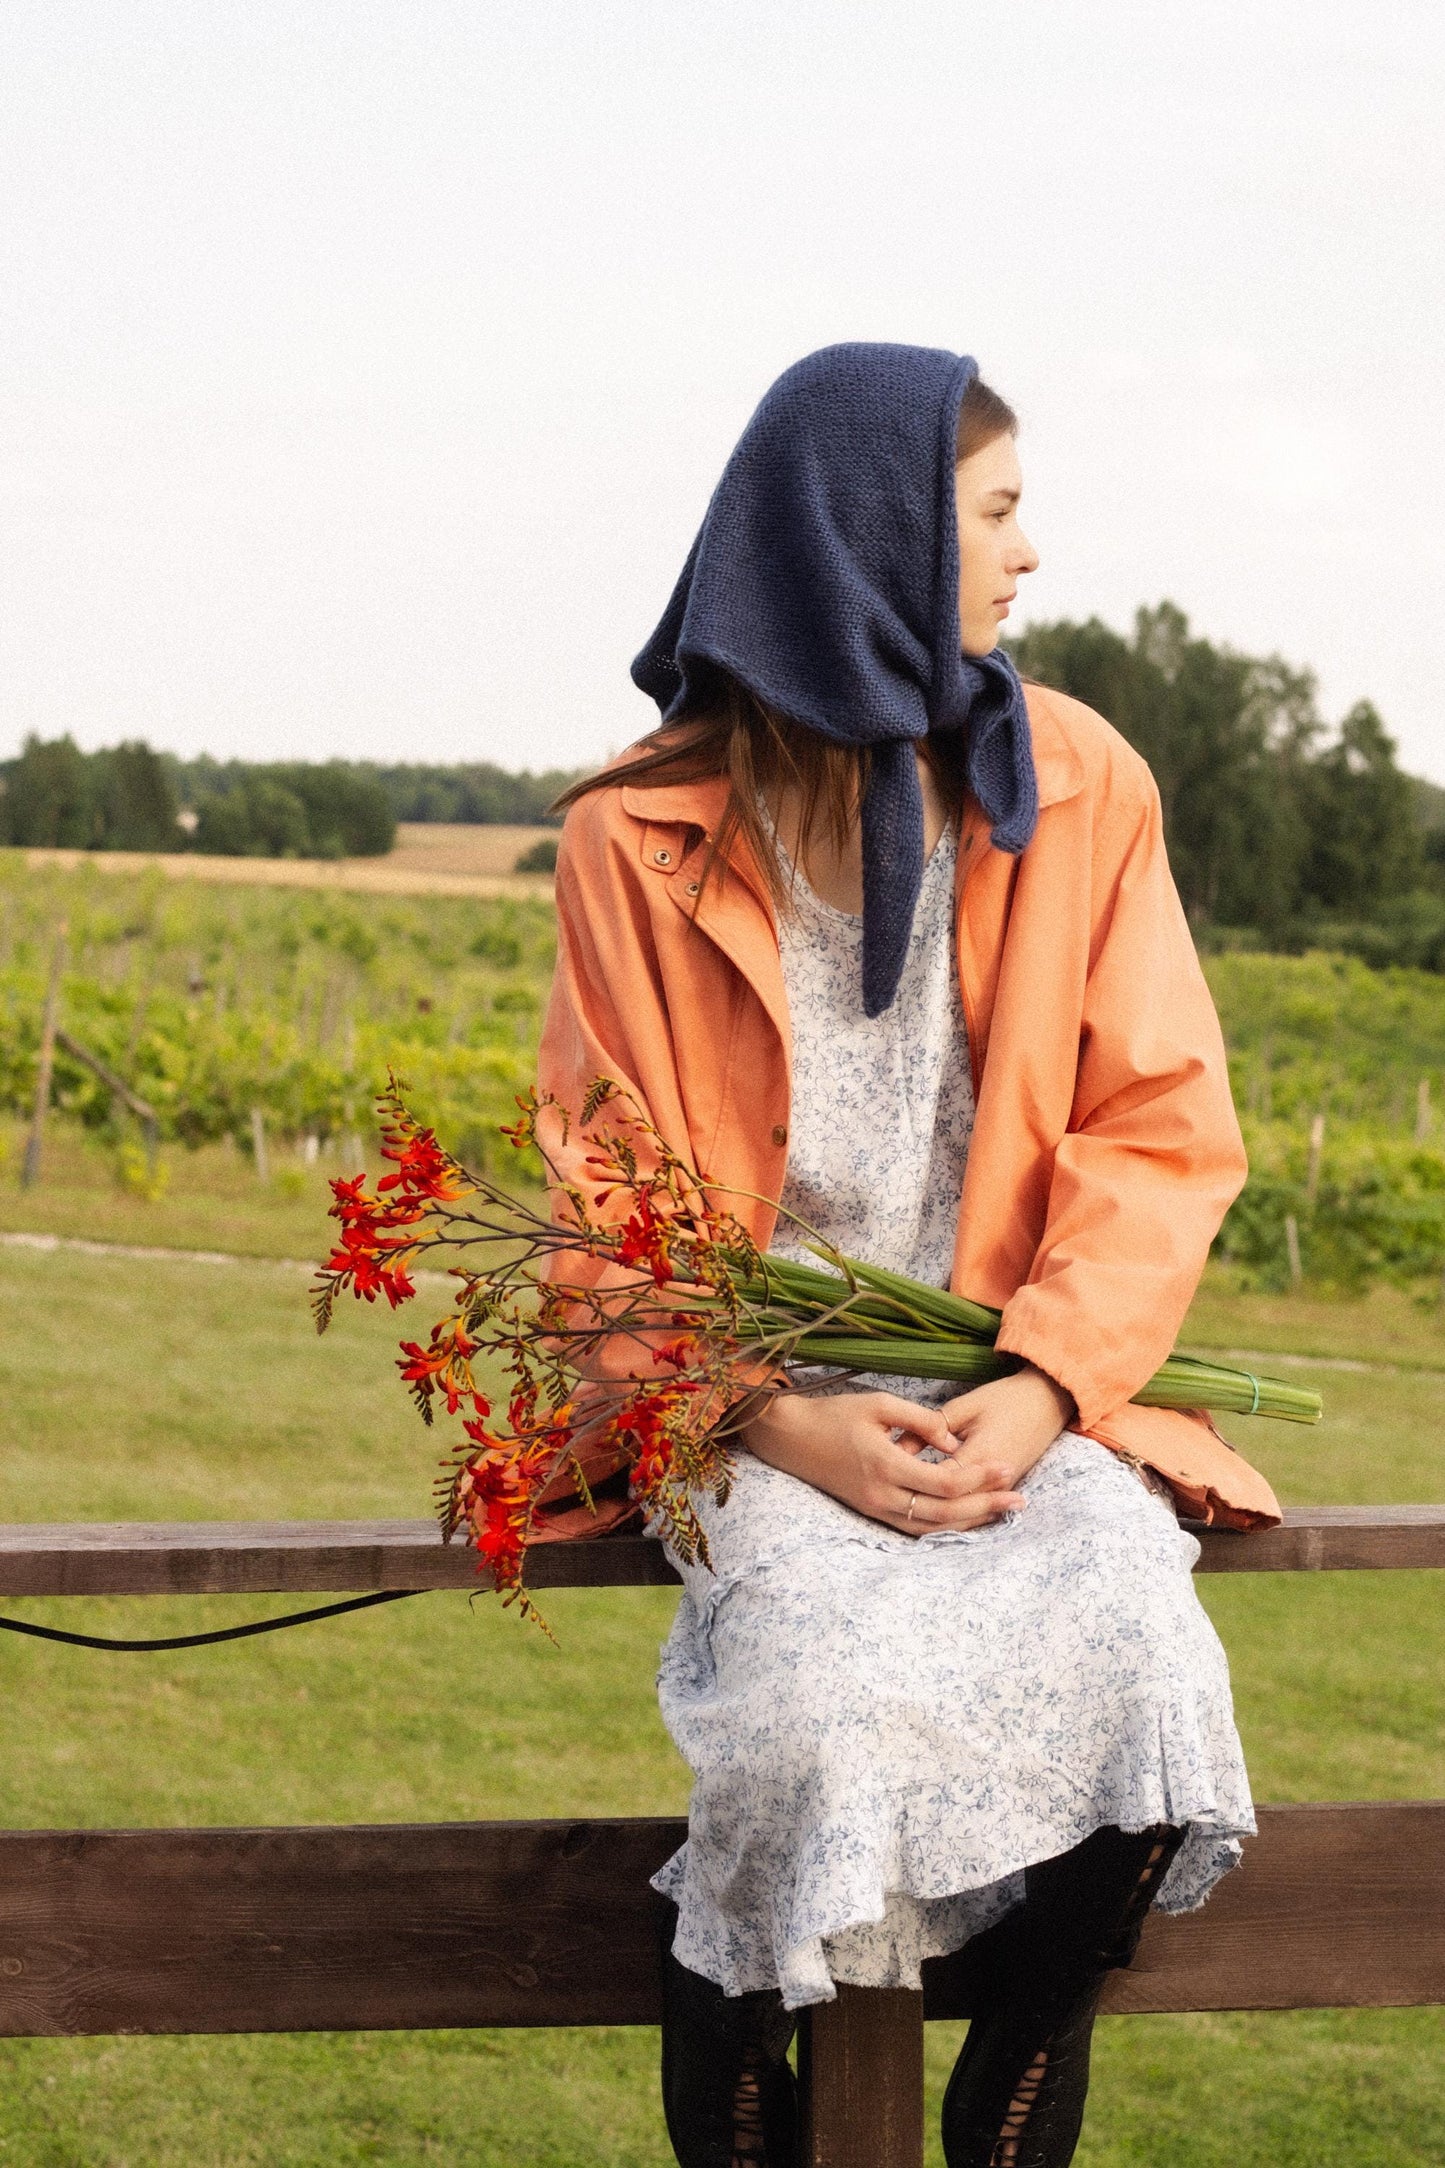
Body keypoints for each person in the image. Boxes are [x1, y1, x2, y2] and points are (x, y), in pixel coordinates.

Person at [538, 343, 1281, 2168]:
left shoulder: (1078, 784)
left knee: (1140, 1647)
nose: (1030, 556)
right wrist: (775, 1421)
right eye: (996, 511)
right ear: (863, 536)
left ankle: (1006, 2089)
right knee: (805, 1709)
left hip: (1014, 1384)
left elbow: (1157, 1123)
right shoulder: (630, 837)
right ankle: (728, 2061)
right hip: (760, 1405)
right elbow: (604, 1194)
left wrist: (1038, 1393)